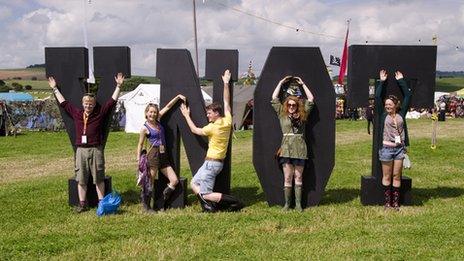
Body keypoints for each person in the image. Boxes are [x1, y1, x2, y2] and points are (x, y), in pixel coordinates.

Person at [48, 73, 124, 213]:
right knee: (81, 178)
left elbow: (111, 102)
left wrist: (119, 86)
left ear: (94, 105)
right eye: (86, 103)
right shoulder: (77, 113)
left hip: (96, 149)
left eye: (91, 104)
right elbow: (64, 103)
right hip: (81, 150)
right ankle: (82, 204)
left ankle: (102, 204)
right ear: (82, 104)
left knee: (99, 178)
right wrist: (55, 89)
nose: (88, 105)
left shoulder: (100, 113)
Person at [180, 69, 243, 212]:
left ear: (216, 113)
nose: (208, 116)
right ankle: (208, 207)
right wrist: (226, 84)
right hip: (212, 163)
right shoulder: (227, 121)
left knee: (206, 193)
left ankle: (236, 202)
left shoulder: (212, 128)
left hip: (211, 164)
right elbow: (226, 102)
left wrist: (186, 115)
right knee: (193, 183)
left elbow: (194, 130)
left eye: (209, 113)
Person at [271, 76, 314, 211]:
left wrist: (303, 84)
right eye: (289, 105)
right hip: (286, 148)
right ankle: (287, 204)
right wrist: (279, 82)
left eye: (293, 105)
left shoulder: (303, 114)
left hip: (300, 149)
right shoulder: (282, 114)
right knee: (288, 176)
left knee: (298, 176)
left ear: (297, 105)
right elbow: (274, 98)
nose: (291, 107)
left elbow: (311, 99)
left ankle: (299, 204)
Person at [136, 95, 186, 212]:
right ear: (146, 113)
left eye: (154, 112)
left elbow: (168, 106)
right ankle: (146, 206)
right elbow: (140, 144)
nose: (153, 114)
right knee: (150, 181)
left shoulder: (158, 120)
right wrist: (138, 158)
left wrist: (178, 97)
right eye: (150, 112)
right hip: (153, 155)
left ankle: (159, 202)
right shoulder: (144, 128)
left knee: (174, 180)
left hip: (163, 154)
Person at [376, 70, 412, 210]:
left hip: (399, 149)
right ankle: (387, 203)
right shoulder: (383, 114)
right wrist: (382, 81)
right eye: (386, 104)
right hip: (386, 149)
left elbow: (408, 95)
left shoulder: (402, 114)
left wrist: (401, 81)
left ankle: (395, 203)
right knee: (387, 176)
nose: (387, 106)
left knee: (397, 175)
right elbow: (378, 97)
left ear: (396, 105)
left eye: (390, 104)